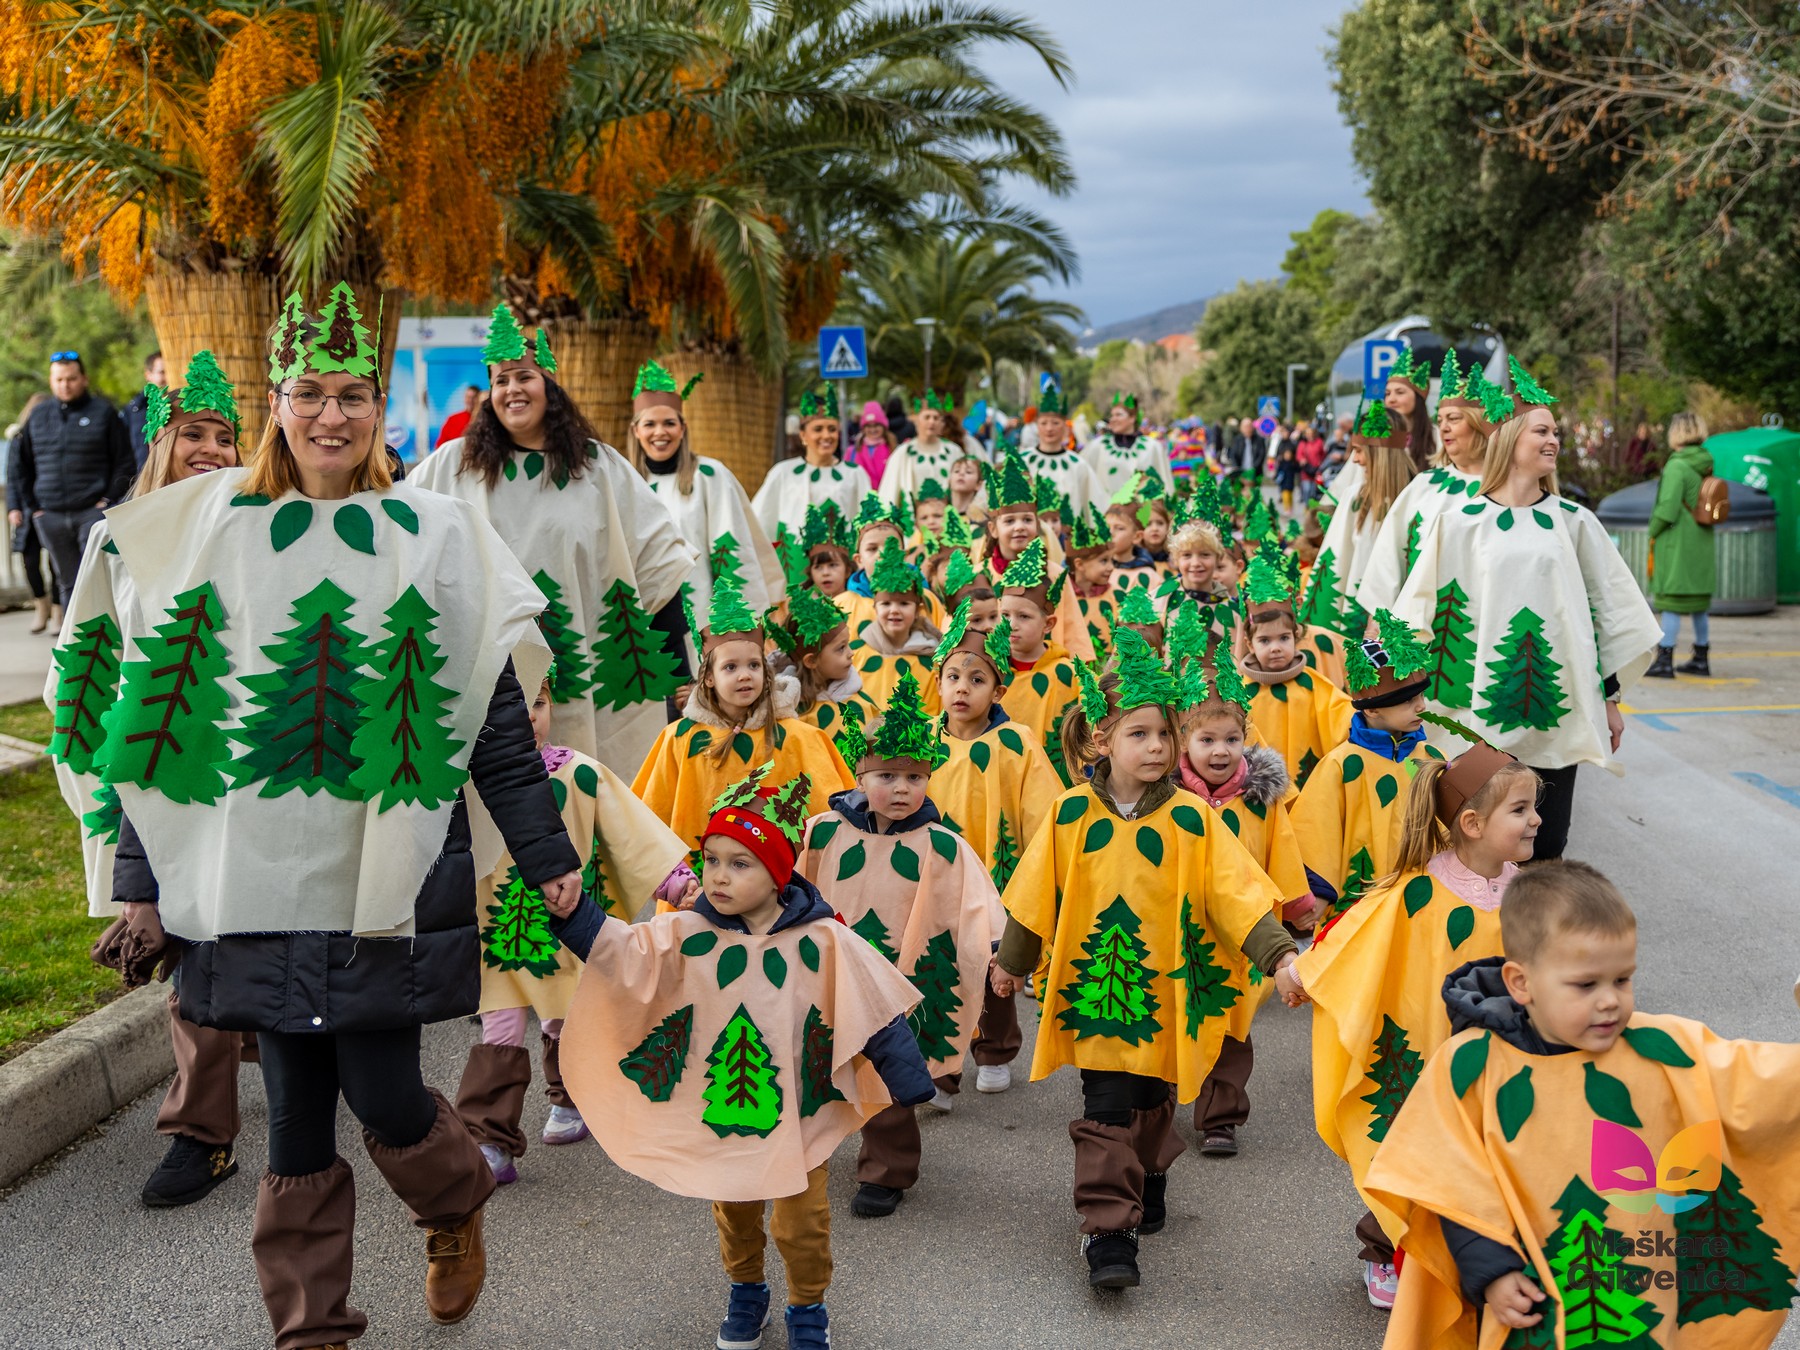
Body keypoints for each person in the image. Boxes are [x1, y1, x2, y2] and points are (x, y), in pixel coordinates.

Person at [75, 283, 585, 1347]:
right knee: (298, 1119)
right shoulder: (214, 528)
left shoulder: (434, 532)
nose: (331, 417)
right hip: (246, 882)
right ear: (278, 399)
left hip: (382, 875)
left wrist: (545, 852)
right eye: (311, 393)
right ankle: (311, 1330)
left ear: (378, 410)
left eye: (353, 395)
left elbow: (490, 714)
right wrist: (141, 880)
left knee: (388, 1094)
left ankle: (450, 1204)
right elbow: (163, 734)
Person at [543, 768, 933, 1350]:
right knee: (736, 1208)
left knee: (801, 1224)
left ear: (779, 876)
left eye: (740, 863)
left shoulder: (822, 940)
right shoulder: (688, 933)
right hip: (726, 1108)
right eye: (712, 859)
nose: (718, 876)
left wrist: (910, 1080)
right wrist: (576, 915)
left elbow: (871, 1005)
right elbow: (625, 953)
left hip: (801, 1113)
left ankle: (808, 1307)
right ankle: (747, 1289)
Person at [1367, 862, 1800, 1349]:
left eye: (1622, 980)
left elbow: (1755, 1081)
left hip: (1643, 1289)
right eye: (1586, 984)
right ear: (1521, 982)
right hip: (1533, 1300)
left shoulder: (1661, 1046)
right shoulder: (1472, 1067)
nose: (1610, 1001)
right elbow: (1447, 1178)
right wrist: (1491, 1270)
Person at [989, 631, 1303, 1290]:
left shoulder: (1192, 818)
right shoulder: (1071, 816)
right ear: (1104, 741)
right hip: (1097, 994)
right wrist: (1013, 961)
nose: (1158, 746)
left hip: (1168, 998)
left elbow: (1236, 894)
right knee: (1105, 1103)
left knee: (1155, 1096)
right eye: (1141, 734)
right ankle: (1109, 1231)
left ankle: (1150, 1171)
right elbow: (1033, 894)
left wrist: (1278, 957)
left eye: (1165, 733)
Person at [47, 351, 253, 1210]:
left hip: (259, 764)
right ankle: (201, 1133)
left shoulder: (262, 520)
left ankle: (313, 1081)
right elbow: (84, 651)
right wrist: (102, 756)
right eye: (191, 435)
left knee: (274, 931)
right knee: (194, 946)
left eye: (223, 436)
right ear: (159, 443)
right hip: (167, 766)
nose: (208, 449)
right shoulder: (116, 534)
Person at [1289, 740, 1540, 1310]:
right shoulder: (1417, 890)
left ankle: (1485, 1261)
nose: (1537, 819)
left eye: (1533, 806)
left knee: (1492, 1154)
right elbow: (1357, 937)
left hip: (1499, 1057)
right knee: (1408, 1148)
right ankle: (1385, 1250)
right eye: (1521, 809)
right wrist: (1303, 973)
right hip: (1425, 1048)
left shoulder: (1527, 894)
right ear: (1473, 823)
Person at [412, 303, 697, 780]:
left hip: (588, 675)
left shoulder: (599, 468)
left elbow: (657, 569)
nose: (511, 389)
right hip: (489, 672)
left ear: (549, 386)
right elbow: (400, 522)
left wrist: (682, 675)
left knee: (589, 789)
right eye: (500, 381)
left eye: (523, 376)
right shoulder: (454, 465)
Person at [1394, 359, 1661, 860]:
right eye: (1541, 430)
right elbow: (1419, 609)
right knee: (1477, 839)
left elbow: (1607, 613)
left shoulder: (1574, 522)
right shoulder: (1458, 522)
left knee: (1546, 842)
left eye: (1555, 432)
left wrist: (1608, 698)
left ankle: (1534, 932)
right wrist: (1404, 691)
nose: (1553, 440)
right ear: (1511, 437)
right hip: (1476, 709)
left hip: (1555, 709)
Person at [454, 671, 688, 1186]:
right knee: (500, 1029)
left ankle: (570, 1099)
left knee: (566, 1020)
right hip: (499, 935)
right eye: (517, 710)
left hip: (567, 931)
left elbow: (630, 831)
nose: (528, 718)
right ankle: (490, 1136)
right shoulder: (471, 786)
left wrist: (674, 881)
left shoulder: (582, 775)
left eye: (537, 704)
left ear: (552, 706)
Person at [795, 670, 1005, 1218]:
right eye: (886, 775)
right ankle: (800, 1150)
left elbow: (979, 903)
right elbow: (791, 885)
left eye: (915, 776)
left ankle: (885, 1170)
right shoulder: (824, 832)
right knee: (812, 1061)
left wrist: (1005, 950)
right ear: (860, 775)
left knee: (886, 1071)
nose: (901, 788)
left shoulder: (940, 844)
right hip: (829, 973)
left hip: (899, 981)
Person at [1172, 655, 1311, 1160]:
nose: (1221, 751)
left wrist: (1298, 909)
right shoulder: (1168, 800)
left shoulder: (1259, 799)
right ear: (1184, 740)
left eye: (1232, 739)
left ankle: (1221, 1117)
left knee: (1232, 1025)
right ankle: (1159, 1109)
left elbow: (1284, 853)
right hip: (1181, 934)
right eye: (1206, 740)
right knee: (1177, 1018)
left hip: (1243, 938)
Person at [632, 567, 853, 848]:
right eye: (730, 667)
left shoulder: (799, 738)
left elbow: (830, 816)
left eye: (753, 665)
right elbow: (648, 817)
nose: (745, 675)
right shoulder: (679, 739)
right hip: (699, 886)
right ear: (709, 677)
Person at [627, 359, 785, 668]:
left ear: (682, 428)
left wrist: (732, 621)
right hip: (646, 619)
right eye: (650, 424)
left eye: (669, 423)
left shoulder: (710, 476)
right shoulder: (626, 482)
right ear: (636, 430)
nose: (660, 432)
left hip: (703, 619)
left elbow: (733, 549)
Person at [1292, 614, 1440, 931]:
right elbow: (1316, 829)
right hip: (1357, 905)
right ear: (1372, 708)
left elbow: (1448, 828)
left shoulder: (1428, 758)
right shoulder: (1342, 765)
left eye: (1421, 696)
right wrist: (1317, 893)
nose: (1422, 707)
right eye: (1408, 701)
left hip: (1418, 906)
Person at [1356, 350, 1498, 617]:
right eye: (1441, 420)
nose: (1444, 428)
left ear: (1481, 426)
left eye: (1454, 419)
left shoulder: (1508, 488)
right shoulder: (1425, 485)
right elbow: (1388, 559)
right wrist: (1378, 627)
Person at [6, 348, 135, 609]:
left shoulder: (104, 413)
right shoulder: (38, 415)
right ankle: (74, 645)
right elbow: (21, 465)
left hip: (92, 512)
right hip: (50, 515)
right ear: (51, 381)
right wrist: (35, 508)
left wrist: (107, 499)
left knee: (99, 578)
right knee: (67, 583)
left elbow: (124, 461)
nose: (65, 385)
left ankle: (107, 643)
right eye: (59, 380)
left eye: (71, 379)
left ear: (84, 379)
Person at [1236, 555, 1353, 792]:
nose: (1276, 647)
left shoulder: (1312, 683)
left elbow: (1344, 718)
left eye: (1284, 638)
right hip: (1258, 793)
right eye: (1265, 640)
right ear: (1250, 644)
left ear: (1296, 635)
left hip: (1310, 790)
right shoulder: (1240, 691)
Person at [1301, 404, 1416, 640]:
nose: (1356, 460)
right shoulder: (1355, 498)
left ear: (1379, 453)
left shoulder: (1417, 497)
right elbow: (1339, 559)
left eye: (1360, 451)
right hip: (1356, 621)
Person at [994, 538, 1080, 785]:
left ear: (1049, 624)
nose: (1011, 624)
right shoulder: (990, 672)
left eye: (1024, 616)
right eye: (1005, 615)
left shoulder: (1069, 673)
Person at [748, 385, 869, 548]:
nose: (826, 435)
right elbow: (759, 520)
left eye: (832, 429)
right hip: (794, 566)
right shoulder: (783, 473)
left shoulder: (855, 473)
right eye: (818, 429)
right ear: (803, 435)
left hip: (843, 566)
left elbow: (869, 524)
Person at [1645, 410, 1717, 678]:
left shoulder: (1677, 464)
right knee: (1698, 603)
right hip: (1702, 540)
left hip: (1677, 542)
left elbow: (1668, 508)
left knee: (1672, 601)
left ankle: (1665, 659)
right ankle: (1701, 657)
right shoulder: (1705, 462)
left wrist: (1652, 530)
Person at [6, 391, 58, 632]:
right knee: (29, 561)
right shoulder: (19, 438)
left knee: (57, 563)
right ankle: (41, 606)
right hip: (28, 510)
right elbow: (14, 476)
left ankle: (58, 611)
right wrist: (14, 506)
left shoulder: (59, 435)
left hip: (53, 506)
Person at [1019, 380, 1105, 517]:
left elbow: (1097, 504)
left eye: (1055, 423)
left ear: (1065, 426)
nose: (1049, 428)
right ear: (1037, 426)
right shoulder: (1022, 461)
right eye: (1044, 423)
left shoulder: (1078, 465)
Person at [878, 390, 971, 506]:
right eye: (927, 417)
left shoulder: (953, 451)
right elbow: (889, 493)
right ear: (916, 420)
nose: (931, 422)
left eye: (936, 418)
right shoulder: (903, 453)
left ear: (942, 423)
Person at [1081, 392, 1173, 502]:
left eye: (1118, 415)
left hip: (1143, 514)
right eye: (1112, 415)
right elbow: (1081, 477)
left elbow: (1165, 483)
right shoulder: (1098, 446)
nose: (1113, 419)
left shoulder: (1152, 447)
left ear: (1132, 418)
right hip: (1107, 514)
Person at [1384, 347, 1436, 473]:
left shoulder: (1437, 436)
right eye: (1387, 393)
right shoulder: (1378, 435)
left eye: (1400, 392)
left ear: (1418, 398)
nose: (1391, 399)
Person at [120, 350, 166, 469]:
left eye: (171, 371)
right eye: (162, 372)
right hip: (143, 481)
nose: (167, 377)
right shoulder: (133, 410)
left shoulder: (188, 409)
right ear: (148, 375)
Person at [844, 400, 894, 487]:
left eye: (876, 425)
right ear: (863, 428)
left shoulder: (892, 448)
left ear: (883, 427)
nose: (873, 430)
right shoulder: (852, 451)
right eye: (868, 426)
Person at [433, 383, 483, 449]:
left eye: (473, 398)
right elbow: (440, 446)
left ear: (479, 399)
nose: (470, 401)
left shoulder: (483, 419)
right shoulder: (452, 420)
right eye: (468, 397)